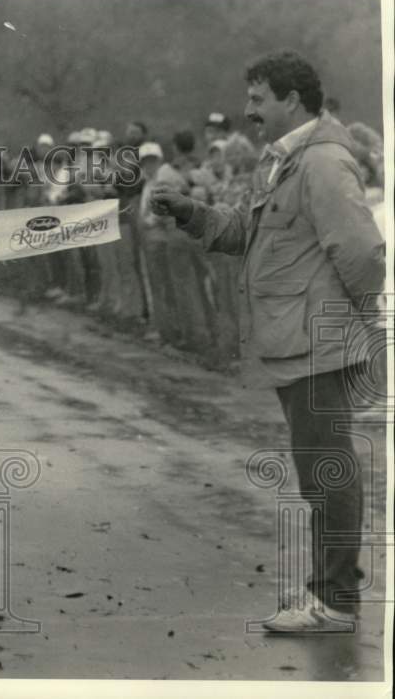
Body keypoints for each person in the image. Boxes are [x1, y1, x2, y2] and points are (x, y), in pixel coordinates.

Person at [151, 50, 385, 633]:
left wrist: (355, 327)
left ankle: (335, 603)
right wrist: (195, 215)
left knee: (328, 470)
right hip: (296, 341)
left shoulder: (325, 163)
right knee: (318, 470)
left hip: (319, 340)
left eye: (258, 100)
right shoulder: (281, 161)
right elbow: (247, 235)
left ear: (293, 101)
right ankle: (327, 594)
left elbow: (361, 254)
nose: (248, 111)